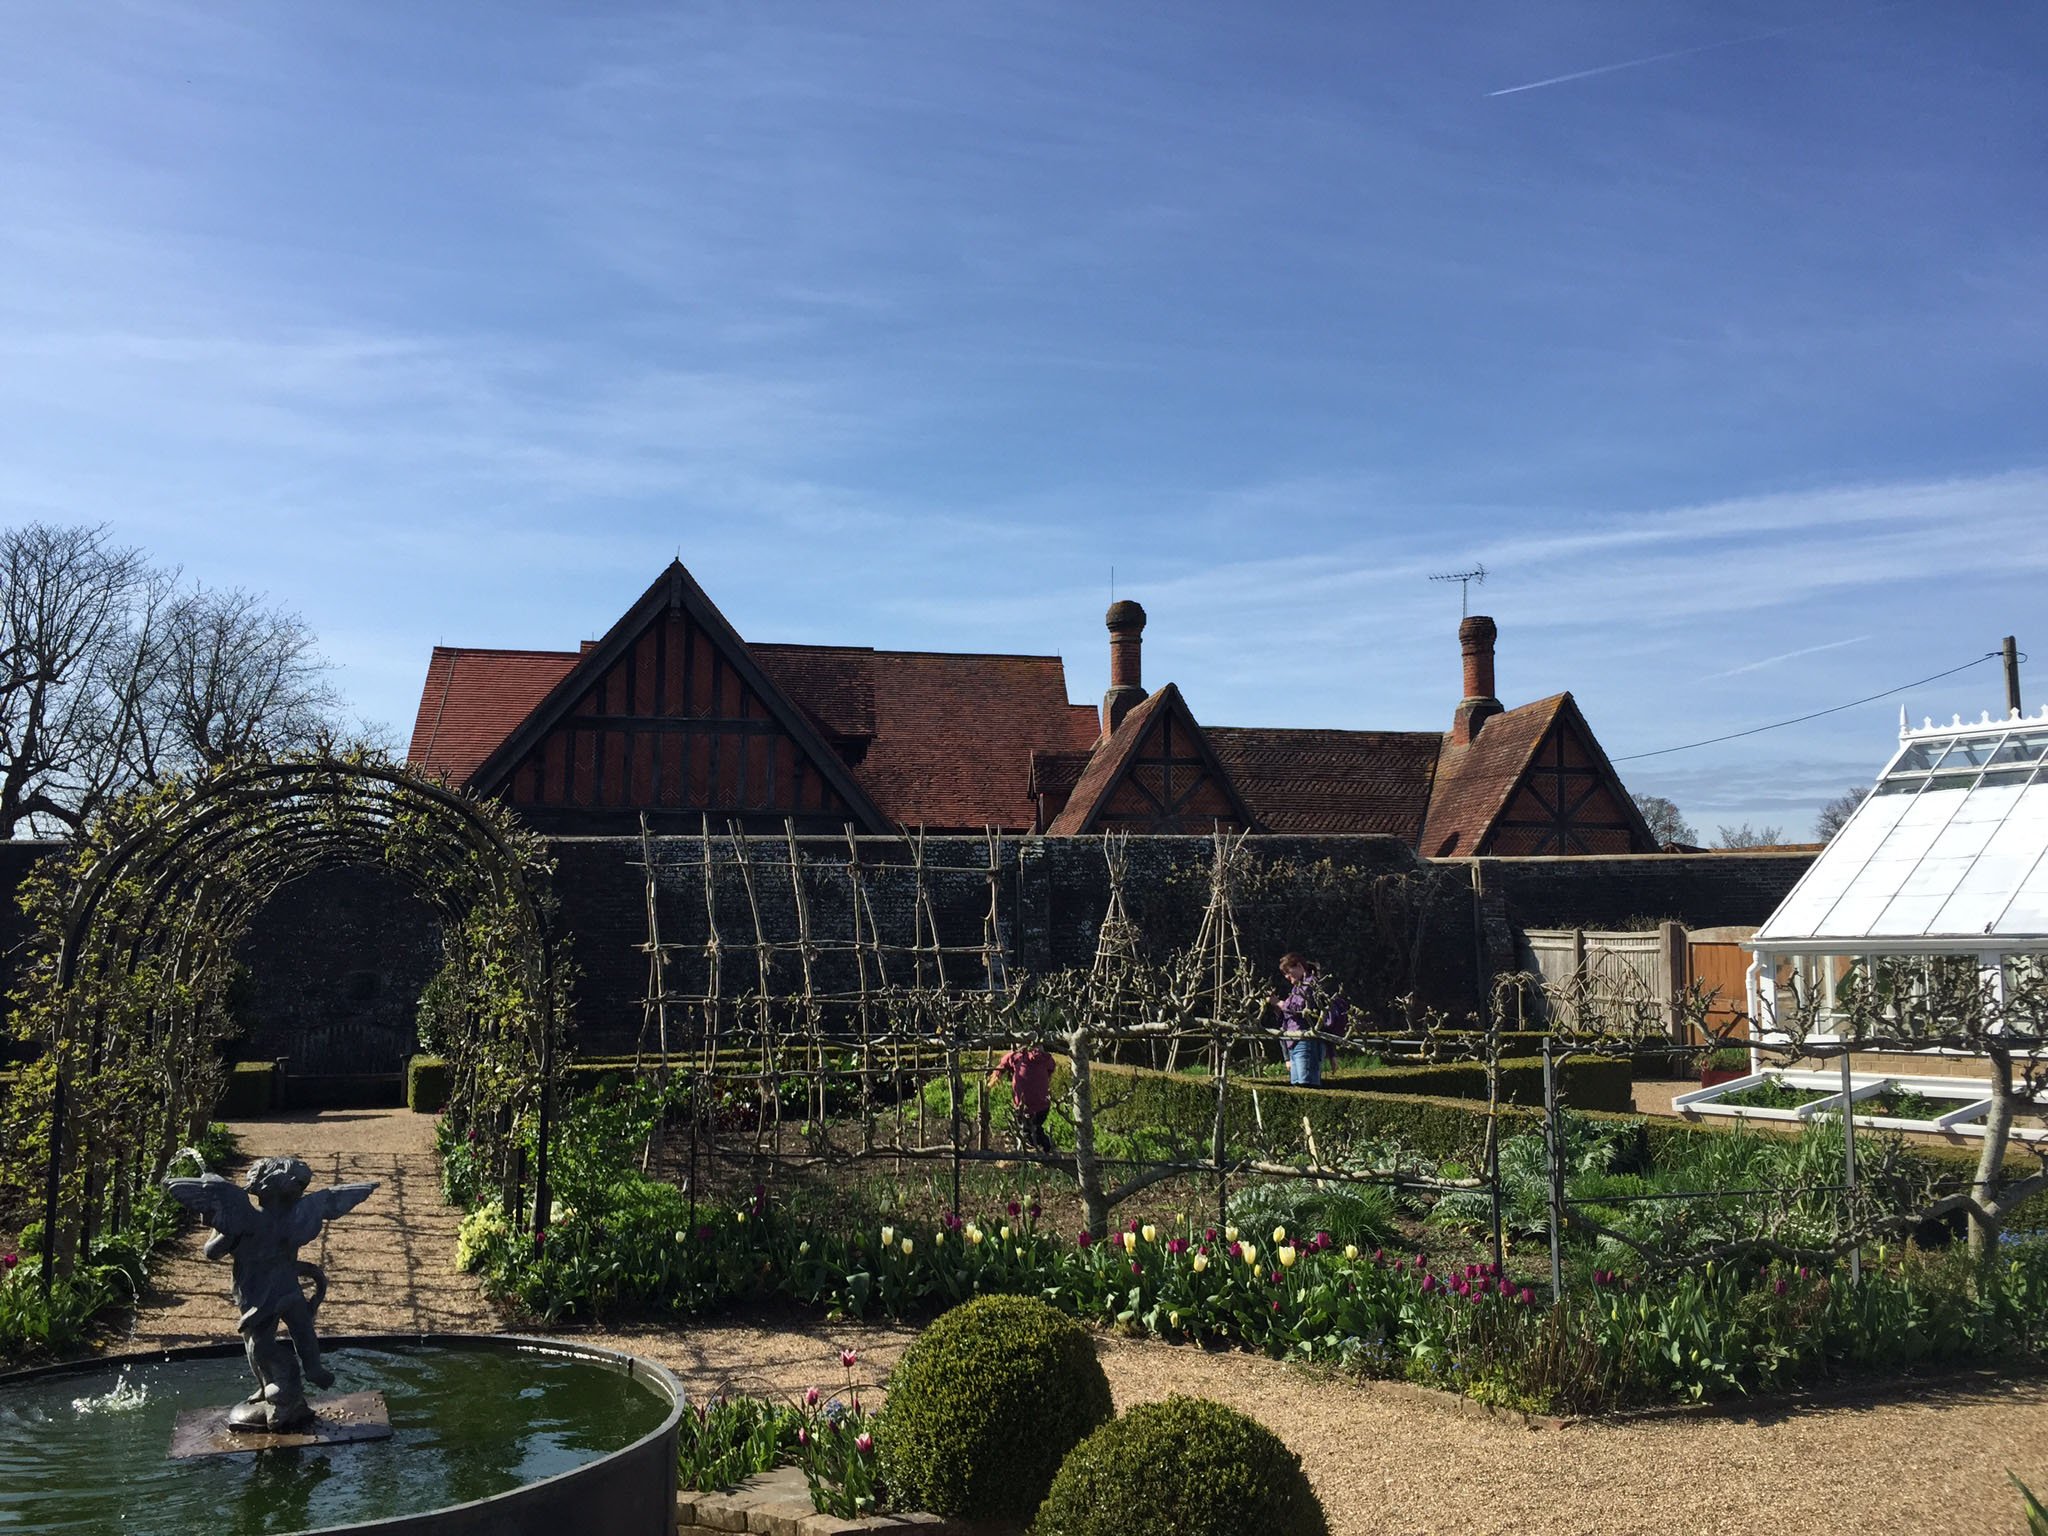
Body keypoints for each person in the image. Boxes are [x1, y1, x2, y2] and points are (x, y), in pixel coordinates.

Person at [1273, 953, 1345, 1087]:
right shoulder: (1297, 988)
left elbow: (1299, 1009)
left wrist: (1279, 1004)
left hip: (1307, 1042)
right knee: (1298, 1085)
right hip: (1295, 1042)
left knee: (1306, 1085)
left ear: (1299, 966)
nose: (1287, 977)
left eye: (1288, 972)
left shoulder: (1311, 985)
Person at [988, 1037, 1056, 1153]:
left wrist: (994, 1077)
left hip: (1023, 1105)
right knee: (1035, 1128)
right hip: (1042, 1105)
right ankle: (1043, 1148)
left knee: (1026, 1130)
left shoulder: (1018, 1057)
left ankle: (1038, 1149)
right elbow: (1051, 1068)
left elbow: (1003, 1063)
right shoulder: (1046, 1059)